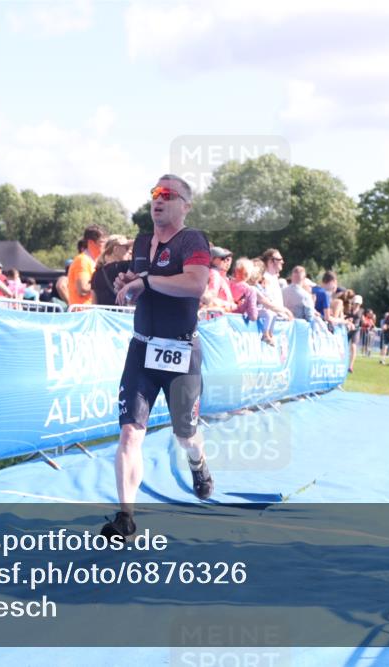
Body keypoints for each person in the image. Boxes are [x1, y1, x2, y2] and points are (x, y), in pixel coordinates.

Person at [105, 175, 212, 540]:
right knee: (130, 433)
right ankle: (126, 517)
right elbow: (141, 285)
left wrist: (147, 282)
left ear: (185, 205)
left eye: (167, 195)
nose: (158, 200)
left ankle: (197, 463)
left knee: (185, 435)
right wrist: (128, 287)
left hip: (181, 350)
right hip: (142, 349)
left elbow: (196, 284)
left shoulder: (193, 240)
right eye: (154, 193)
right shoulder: (140, 241)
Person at [67, 225, 107, 306]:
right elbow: (83, 289)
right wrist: (103, 282)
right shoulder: (82, 260)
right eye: (102, 242)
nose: (106, 246)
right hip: (82, 314)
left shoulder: (94, 261)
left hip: (90, 313)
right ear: (91, 242)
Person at [91, 235, 133, 306]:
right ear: (116, 249)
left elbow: (94, 303)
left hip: (104, 316)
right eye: (126, 247)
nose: (130, 251)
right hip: (120, 316)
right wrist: (136, 242)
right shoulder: (122, 266)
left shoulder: (96, 274)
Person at [204, 246, 235, 311]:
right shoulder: (214, 274)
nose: (225, 261)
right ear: (212, 259)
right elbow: (211, 297)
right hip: (217, 316)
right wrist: (231, 305)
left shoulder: (210, 272)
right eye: (222, 258)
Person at [345, 294, 363, 372]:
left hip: (356, 330)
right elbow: (345, 317)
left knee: (353, 346)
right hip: (348, 330)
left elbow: (361, 321)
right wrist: (348, 320)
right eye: (355, 303)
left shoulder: (361, 311)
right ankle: (343, 362)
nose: (356, 305)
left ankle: (351, 366)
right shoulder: (349, 309)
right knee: (344, 345)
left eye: (358, 303)